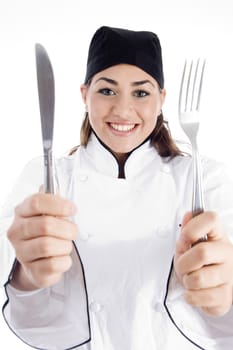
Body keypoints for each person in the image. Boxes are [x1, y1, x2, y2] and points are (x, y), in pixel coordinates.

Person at [1, 26, 233, 350]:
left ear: (162, 99)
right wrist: (26, 275)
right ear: (84, 94)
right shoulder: (48, 176)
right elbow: (23, 304)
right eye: (107, 91)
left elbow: (225, 319)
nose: (123, 110)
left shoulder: (203, 177)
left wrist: (224, 292)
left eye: (141, 93)